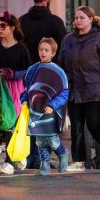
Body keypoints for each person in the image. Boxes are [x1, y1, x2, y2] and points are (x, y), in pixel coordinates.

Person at [59, 5, 100, 170]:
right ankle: (78, 161)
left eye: (82, 18)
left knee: (94, 124)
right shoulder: (68, 39)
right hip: (74, 90)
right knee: (76, 127)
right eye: (76, 18)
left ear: (91, 20)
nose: (78, 21)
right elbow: (62, 64)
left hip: (96, 90)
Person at [0, 12, 32, 175]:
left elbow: (28, 71)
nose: (0, 29)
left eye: (3, 26)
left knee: (11, 124)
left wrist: (14, 74)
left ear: (12, 27)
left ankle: (10, 161)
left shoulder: (21, 49)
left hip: (15, 90)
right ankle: (14, 155)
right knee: (0, 124)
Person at [20, 37, 69, 176]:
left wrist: (53, 105)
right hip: (35, 111)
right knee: (40, 140)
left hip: (50, 112)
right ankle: (44, 166)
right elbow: (27, 89)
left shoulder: (58, 72)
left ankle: (62, 154)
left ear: (53, 53)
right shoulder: (32, 69)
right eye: (41, 49)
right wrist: (24, 100)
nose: (43, 52)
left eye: (46, 50)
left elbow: (64, 93)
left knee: (52, 140)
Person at [19, 0, 67, 64]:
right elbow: (64, 48)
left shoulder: (21, 21)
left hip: (27, 71)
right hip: (51, 70)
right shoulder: (56, 21)